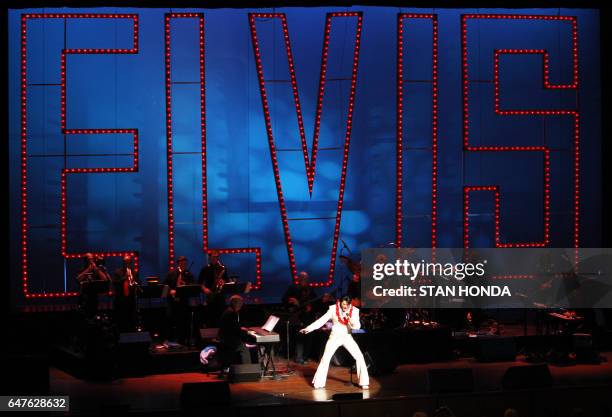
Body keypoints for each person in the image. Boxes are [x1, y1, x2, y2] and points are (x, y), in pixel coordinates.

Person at [300, 295, 369, 389]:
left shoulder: (355, 311)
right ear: (340, 302)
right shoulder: (333, 309)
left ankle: (364, 382)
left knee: (359, 356)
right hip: (335, 336)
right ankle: (319, 383)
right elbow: (322, 320)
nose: (345, 306)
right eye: (343, 304)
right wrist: (308, 328)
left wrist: (350, 319)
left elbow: (357, 327)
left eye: (347, 305)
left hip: (347, 336)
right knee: (325, 358)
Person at [282, 271, 317, 364]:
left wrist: (311, 307)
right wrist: (292, 301)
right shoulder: (292, 288)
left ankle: (306, 356)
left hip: (308, 317)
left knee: (309, 336)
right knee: (299, 337)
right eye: (301, 278)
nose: (303, 280)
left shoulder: (310, 289)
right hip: (297, 317)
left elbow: (315, 302)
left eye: (305, 279)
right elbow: (284, 300)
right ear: (298, 279)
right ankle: (298, 356)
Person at [164, 256, 195, 345]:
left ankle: (183, 340)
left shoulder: (189, 274)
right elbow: (165, 286)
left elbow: (192, 286)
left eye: (185, 262)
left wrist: (186, 284)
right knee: (171, 319)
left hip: (183, 301)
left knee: (183, 321)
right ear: (178, 263)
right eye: (181, 262)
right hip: (172, 301)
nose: (183, 264)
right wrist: (171, 291)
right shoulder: (171, 273)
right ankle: (170, 339)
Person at [218, 295, 252, 366]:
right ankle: (248, 370)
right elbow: (235, 330)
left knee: (244, 343)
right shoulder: (232, 313)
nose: (242, 304)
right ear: (235, 303)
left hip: (225, 338)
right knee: (244, 348)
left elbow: (233, 326)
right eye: (241, 302)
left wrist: (241, 329)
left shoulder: (228, 311)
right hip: (229, 340)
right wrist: (247, 332)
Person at [199, 250, 229, 327]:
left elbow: (227, 280)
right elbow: (200, 283)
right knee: (211, 317)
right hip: (210, 295)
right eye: (213, 256)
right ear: (210, 257)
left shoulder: (222, 268)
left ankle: (220, 336)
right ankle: (211, 336)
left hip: (220, 296)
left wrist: (223, 281)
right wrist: (204, 289)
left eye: (217, 256)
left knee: (221, 316)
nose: (215, 258)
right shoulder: (205, 268)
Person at [76, 253, 111, 318]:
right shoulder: (82, 269)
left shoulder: (96, 269)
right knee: (85, 315)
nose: (91, 260)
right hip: (84, 297)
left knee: (94, 314)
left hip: (94, 297)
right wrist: (88, 269)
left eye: (92, 258)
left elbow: (105, 279)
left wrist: (97, 269)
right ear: (86, 260)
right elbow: (78, 279)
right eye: (89, 259)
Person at [112, 255, 140, 332]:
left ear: (131, 263)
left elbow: (138, 283)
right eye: (125, 262)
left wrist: (134, 282)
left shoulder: (134, 273)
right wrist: (124, 278)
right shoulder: (118, 272)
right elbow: (114, 283)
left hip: (131, 300)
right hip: (120, 300)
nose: (127, 264)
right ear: (123, 263)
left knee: (131, 319)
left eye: (128, 262)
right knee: (122, 320)